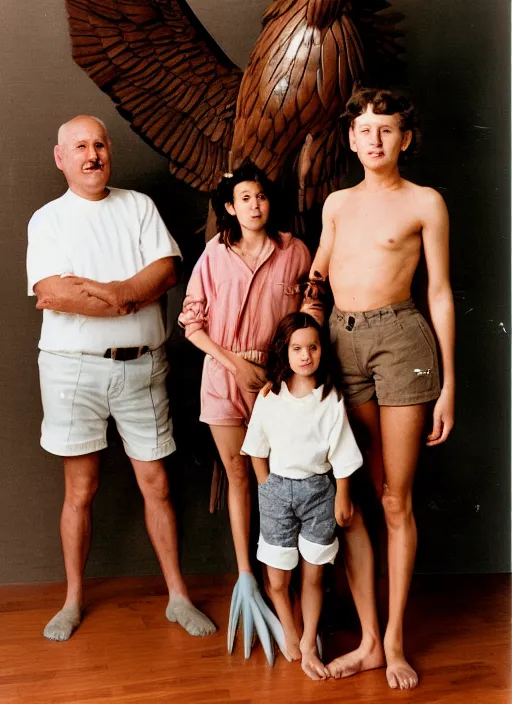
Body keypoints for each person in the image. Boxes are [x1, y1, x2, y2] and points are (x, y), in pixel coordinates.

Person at [27, 115, 216, 642]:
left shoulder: (138, 207)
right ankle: (71, 600)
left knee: (155, 482)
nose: (93, 154)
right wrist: (130, 293)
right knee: (80, 489)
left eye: (99, 145)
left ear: (109, 151)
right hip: (72, 369)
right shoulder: (48, 219)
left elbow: (167, 273)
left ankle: (178, 597)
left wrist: (108, 291)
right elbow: (52, 293)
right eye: (80, 147)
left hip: (142, 365)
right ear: (61, 157)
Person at [309, 88, 455, 690]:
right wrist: (300, 357)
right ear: (350, 139)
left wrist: (448, 387)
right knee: (356, 502)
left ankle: (392, 642)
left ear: (405, 139)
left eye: (386, 131)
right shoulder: (338, 203)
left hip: (402, 341)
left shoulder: (425, 203)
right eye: (365, 131)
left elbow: (440, 292)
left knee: (395, 498)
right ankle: (369, 639)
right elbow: (318, 275)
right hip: (340, 343)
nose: (374, 140)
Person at [177, 163, 311, 660]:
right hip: (224, 378)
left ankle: (288, 590)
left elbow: (310, 314)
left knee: (280, 480)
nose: (255, 205)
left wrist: (278, 369)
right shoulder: (213, 255)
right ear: (230, 208)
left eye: (261, 197)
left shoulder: (293, 250)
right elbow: (192, 323)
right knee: (238, 474)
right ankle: (247, 579)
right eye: (245, 198)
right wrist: (234, 364)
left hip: (277, 384)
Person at [241, 312, 363, 679]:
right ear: (285, 351)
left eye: (312, 347)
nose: (305, 355)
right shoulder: (270, 396)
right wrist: (266, 487)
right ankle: (289, 630)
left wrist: (342, 496)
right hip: (277, 489)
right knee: (278, 578)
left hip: (318, 493)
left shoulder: (330, 399)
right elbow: (257, 448)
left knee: (313, 575)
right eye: (297, 348)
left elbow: (342, 454)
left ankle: (308, 639)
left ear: (321, 350)